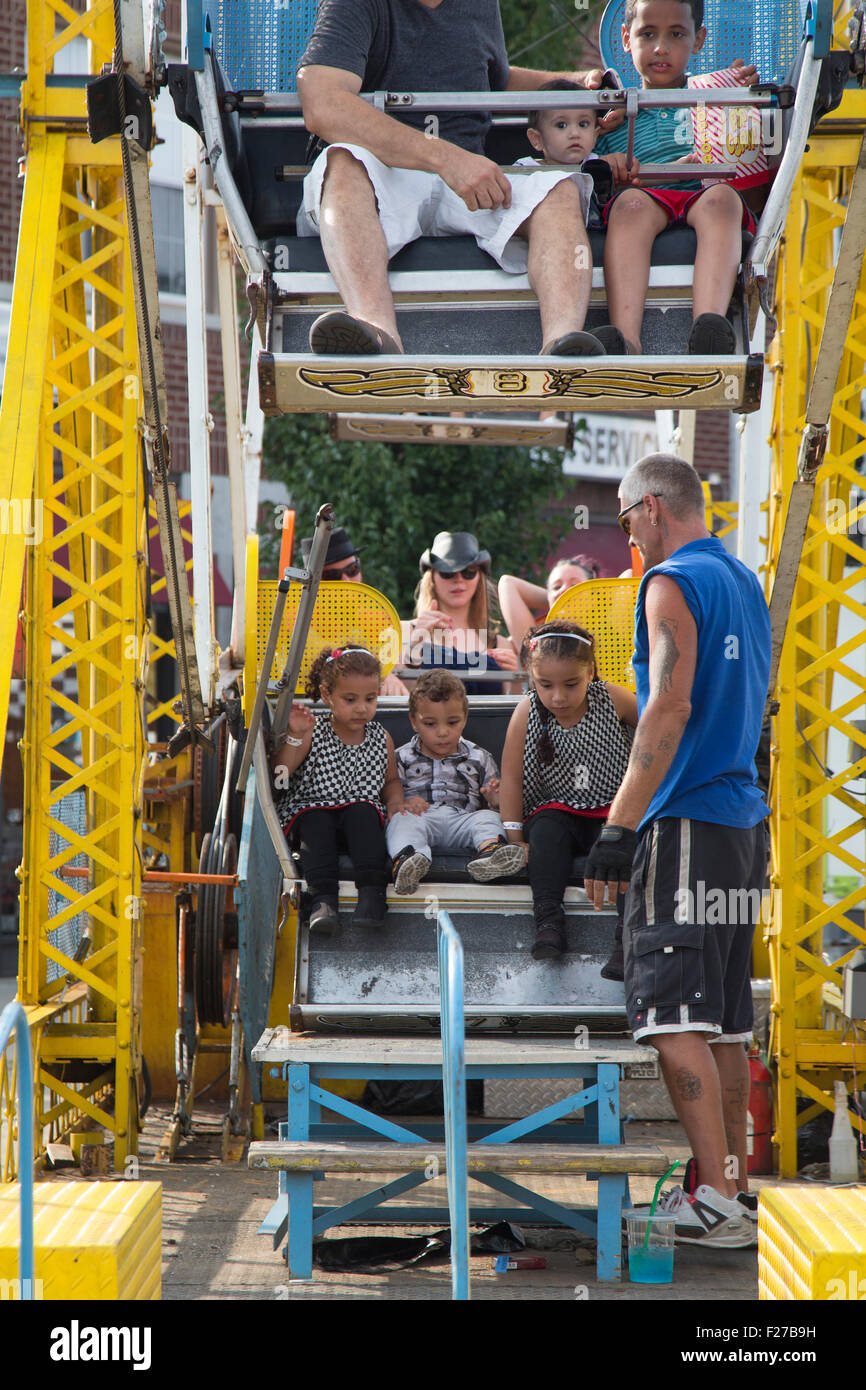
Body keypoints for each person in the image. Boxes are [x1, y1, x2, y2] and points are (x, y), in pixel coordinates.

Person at [583, 452, 770, 1248]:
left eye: (625, 519)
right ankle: (730, 1190)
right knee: (723, 1023)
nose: (627, 536)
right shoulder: (743, 580)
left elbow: (670, 704)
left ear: (653, 508)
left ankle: (715, 1205)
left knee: (669, 1019)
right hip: (741, 823)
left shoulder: (670, 583)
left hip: (687, 819)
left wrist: (617, 829)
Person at [295, 0, 621, 358]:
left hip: (466, 181)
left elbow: (496, 80)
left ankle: (562, 347)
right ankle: (375, 332)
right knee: (342, 161)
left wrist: (576, 87)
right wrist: (444, 158)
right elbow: (323, 102)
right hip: (382, 177)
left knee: (558, 188)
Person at [593, 0, 758, 356]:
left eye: (676, 35)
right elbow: (597, 179)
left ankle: (710, 325)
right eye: (647, 34)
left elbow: (749, 162)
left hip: (702, 194)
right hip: (645, 197)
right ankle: (626, 339)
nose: (660, 48)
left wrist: (739, 103)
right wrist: (604, 151)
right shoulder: (613, 115)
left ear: (698, 41)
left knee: (723, 199)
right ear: (626, 38)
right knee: (629, 205)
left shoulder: (713, 98)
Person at [499, 621, 637, 960]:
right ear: (532, 677)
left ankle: (626, 938)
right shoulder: (528, 710)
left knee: (623, 850)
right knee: (545, 836)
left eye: (571, 684)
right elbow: (512, 777)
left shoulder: (614, 699)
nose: (558, 697)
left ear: (590, 672)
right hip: (555, 810)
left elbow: (656, 739)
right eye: (545, 685)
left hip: (611, 810)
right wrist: (515, 838)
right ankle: (548, 922)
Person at [271, 645, 403, 932]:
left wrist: (394, 802)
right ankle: (322, 899)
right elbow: (280, 775)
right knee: (316, 821)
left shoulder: (381, 736)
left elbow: (391, 780)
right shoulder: (313, 729)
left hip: (358, 817)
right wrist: (295, 736)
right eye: (350, 699)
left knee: (364, 813)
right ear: (327, 695)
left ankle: (372, 894)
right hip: (313, 809)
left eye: (370, 699)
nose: (361, 707)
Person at [387, 670, 526, 894]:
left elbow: (496, 798)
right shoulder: (401, 757)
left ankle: (490, 852)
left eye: (452, 722)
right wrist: (404, 801)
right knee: (401, 821)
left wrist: (495, 799)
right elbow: (390, 793)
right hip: (422, 818)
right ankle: (410, 859)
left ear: (465, 718)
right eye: (430, 724)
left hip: (463, 819)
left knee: (488, 817)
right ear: (414, 721)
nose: (442, 732)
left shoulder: (479, 756)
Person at [404, 531, 520, 696]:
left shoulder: (501, 644)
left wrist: (517, 679)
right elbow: (399, 697)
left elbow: (512, 711)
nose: (458, 579)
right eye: (447, 572)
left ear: (479, 577)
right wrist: (415, 642)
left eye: (468, 571)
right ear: (432, 577)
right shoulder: (406, 631)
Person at [300, 525, 408, 696]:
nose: (346, 580)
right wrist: (381, 674)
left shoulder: (376, 615)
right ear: (312, 581)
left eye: (352, 569)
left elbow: (397, 663)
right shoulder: (295, 618)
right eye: (332, 576)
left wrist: (388, 673)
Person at [498, 553, 602, 656]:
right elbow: (507, 583)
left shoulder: (609, 626)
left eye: (574, 586)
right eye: (556, 587)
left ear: (593, 596)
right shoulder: (537, 638)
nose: (564, 590)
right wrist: (556, 600)